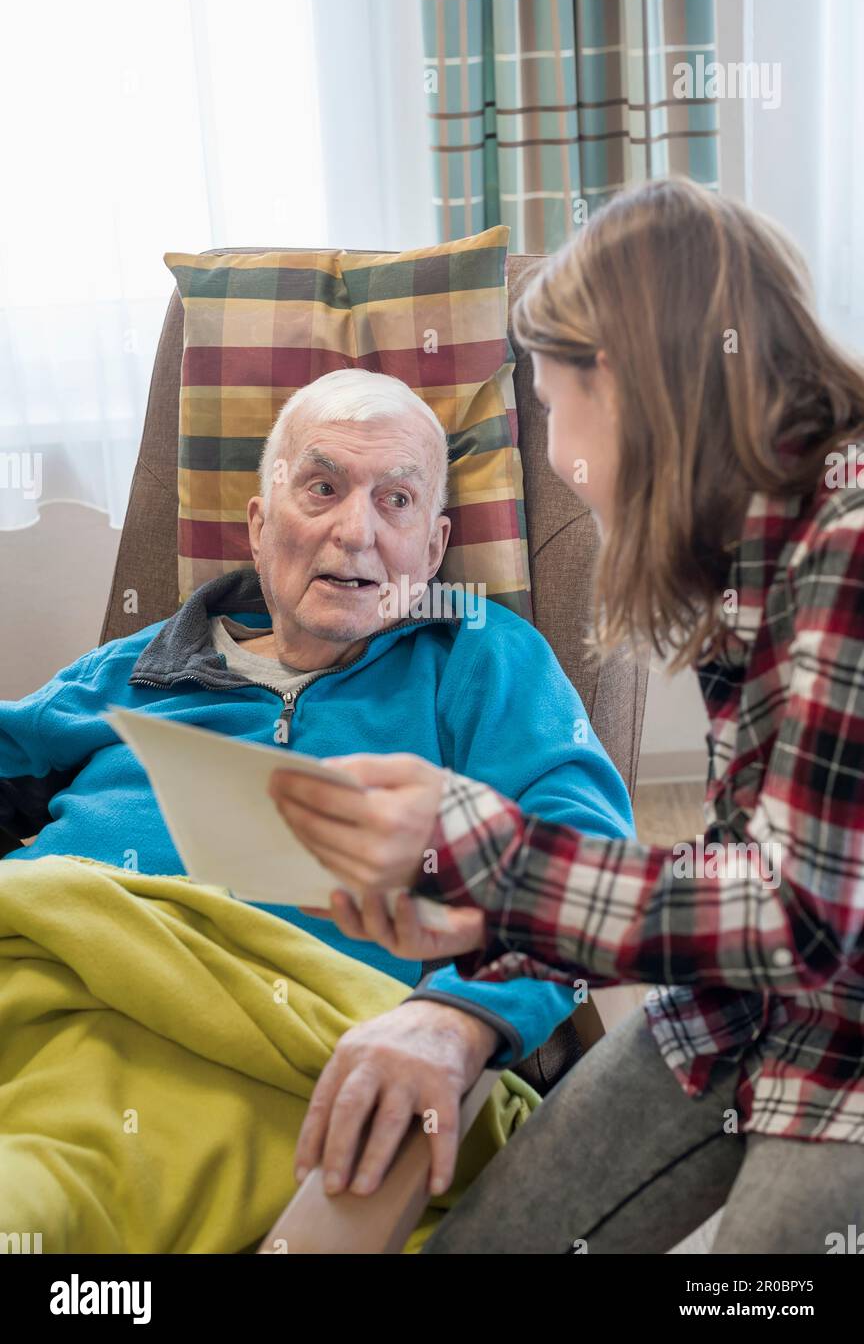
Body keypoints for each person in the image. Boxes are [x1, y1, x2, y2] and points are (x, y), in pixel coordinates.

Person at [270, 178, 864, 1253]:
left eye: (552, 405)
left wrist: (485, 850)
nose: (551, 454)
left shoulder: (849, 544)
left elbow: (803, 918)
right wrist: (490, 949)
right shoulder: (755, 548)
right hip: (754, 1005)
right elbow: (743, 868)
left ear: (635, 386)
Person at [0, 367, 634, 1221]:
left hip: (299, 1050)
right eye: (323, 487)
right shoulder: (136, 662)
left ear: (435, 549)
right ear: (261, 527)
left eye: (397, 501)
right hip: (51, 979)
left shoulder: (480, 655)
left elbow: (586, 859)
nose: (355, 531)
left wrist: (460, 1016)